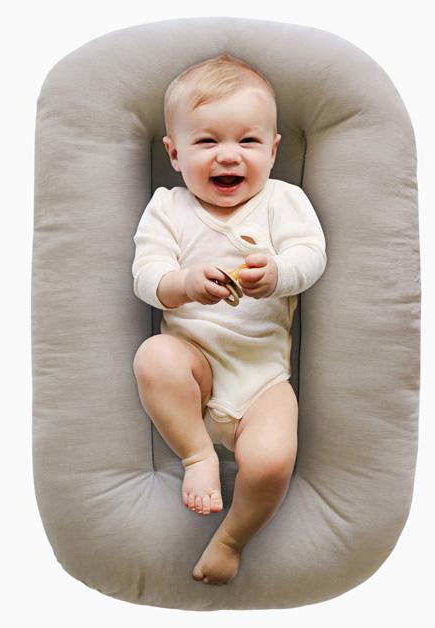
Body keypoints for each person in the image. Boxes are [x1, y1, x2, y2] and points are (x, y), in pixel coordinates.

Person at [130, 53, 328, 585]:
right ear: (174, 153)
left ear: (272, 149)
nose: (228, 157)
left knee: (269, 463)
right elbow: (146, 275)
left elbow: (312, 256)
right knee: (154, 356)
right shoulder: (168, 209)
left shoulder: (284, 201)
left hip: (261, 382)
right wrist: (184, 283)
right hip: (196, 368)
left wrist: (280, 273)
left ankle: (232, 537)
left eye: (247, 142)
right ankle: (197, 454)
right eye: (207, 142)